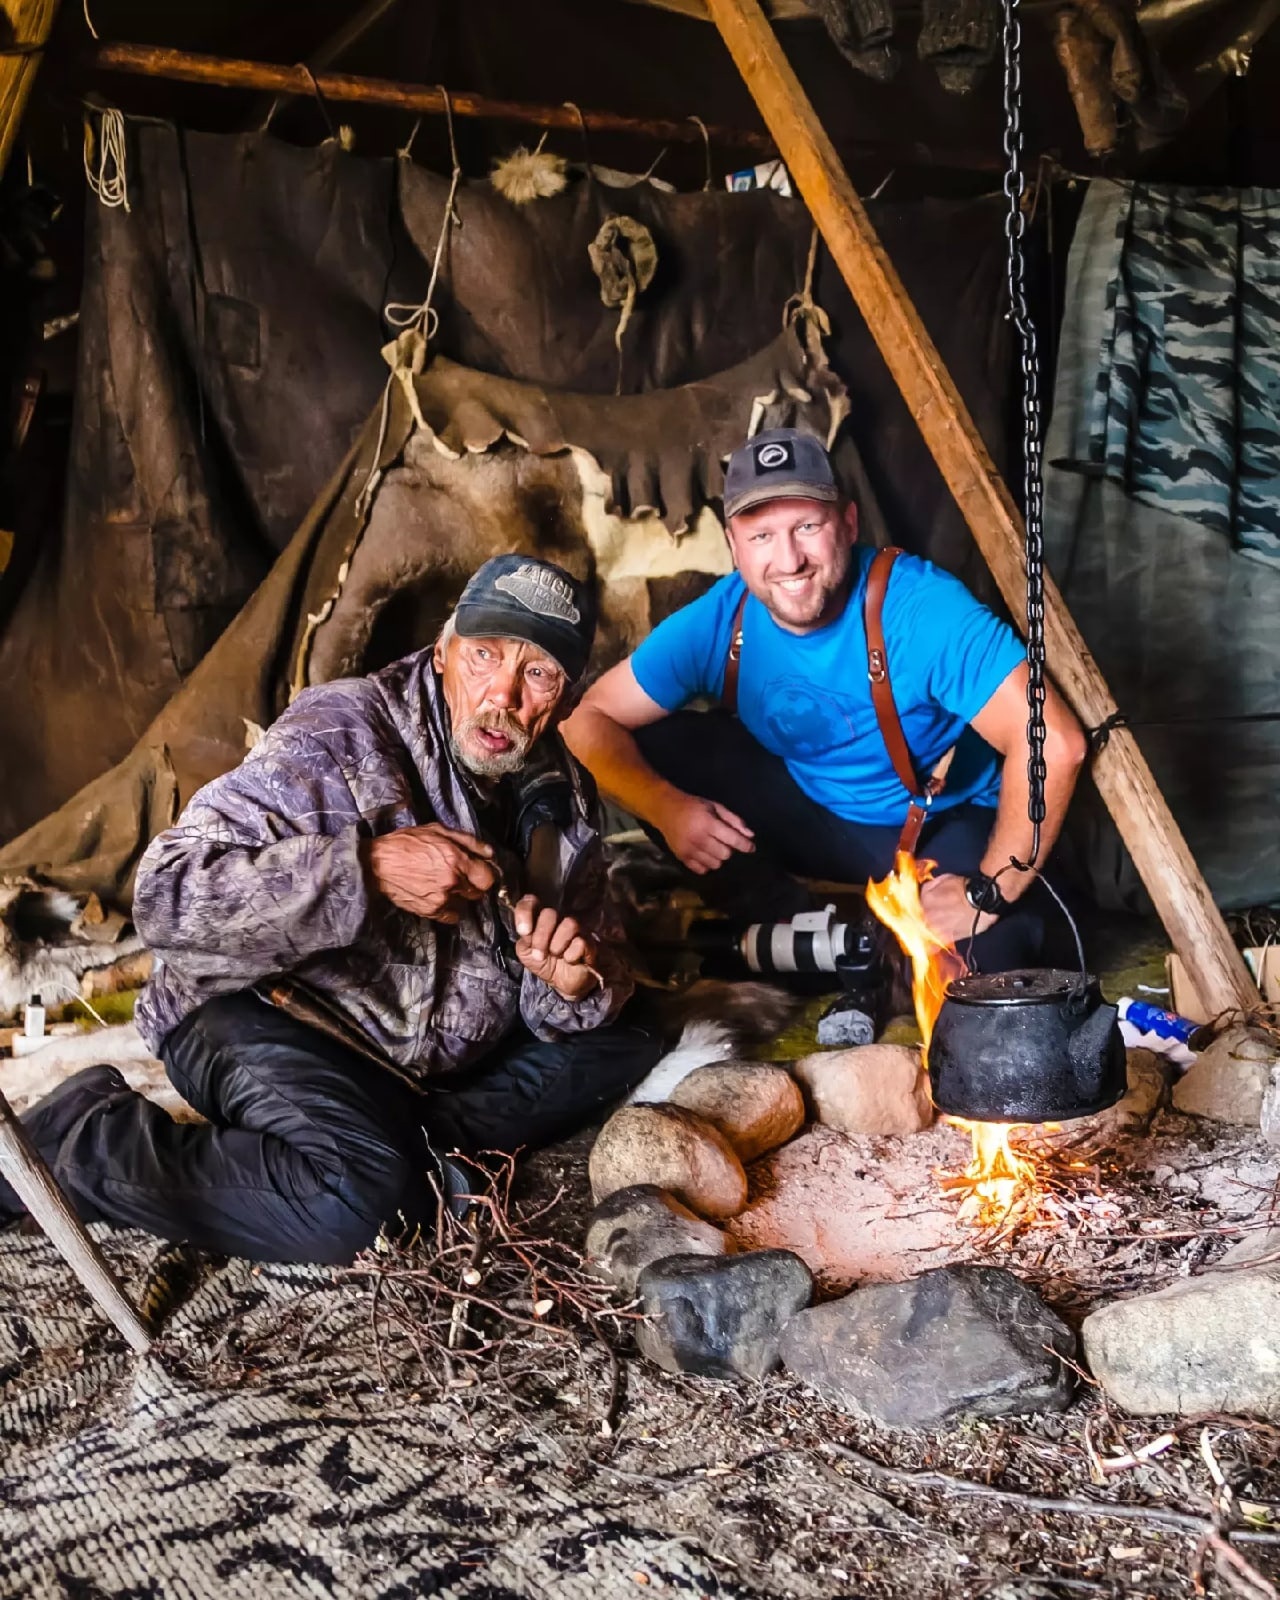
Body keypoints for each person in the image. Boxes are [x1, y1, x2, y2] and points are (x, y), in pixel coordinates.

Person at [1, 555, 665, 1264]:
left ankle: (404, 1137)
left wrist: (570, 981)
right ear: (444, 654)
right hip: (265, 1012)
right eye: (485, 656)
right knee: (362, 1205)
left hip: (416, 1058)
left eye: (537, 674)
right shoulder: (341, 733)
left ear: (566, 698)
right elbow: (168, 899)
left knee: (634, 1034)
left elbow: (579, 969)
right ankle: (87, 1141)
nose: (502, 694)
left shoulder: (560, 794)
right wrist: (367, 870)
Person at [563, 428, 1088, 972]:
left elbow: (1056, 742)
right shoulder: (720, 620)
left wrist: (986, 893)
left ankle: (879, 953)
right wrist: (664, 806)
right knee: (657, 746)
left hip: (937, 820)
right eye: (762, 535)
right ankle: (785, 930)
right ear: (734, 546)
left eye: (807, 527)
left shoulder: (922, 609)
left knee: (988, 962)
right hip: (813, 812)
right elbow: (584, 719)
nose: (789, 560)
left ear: (850, 523)